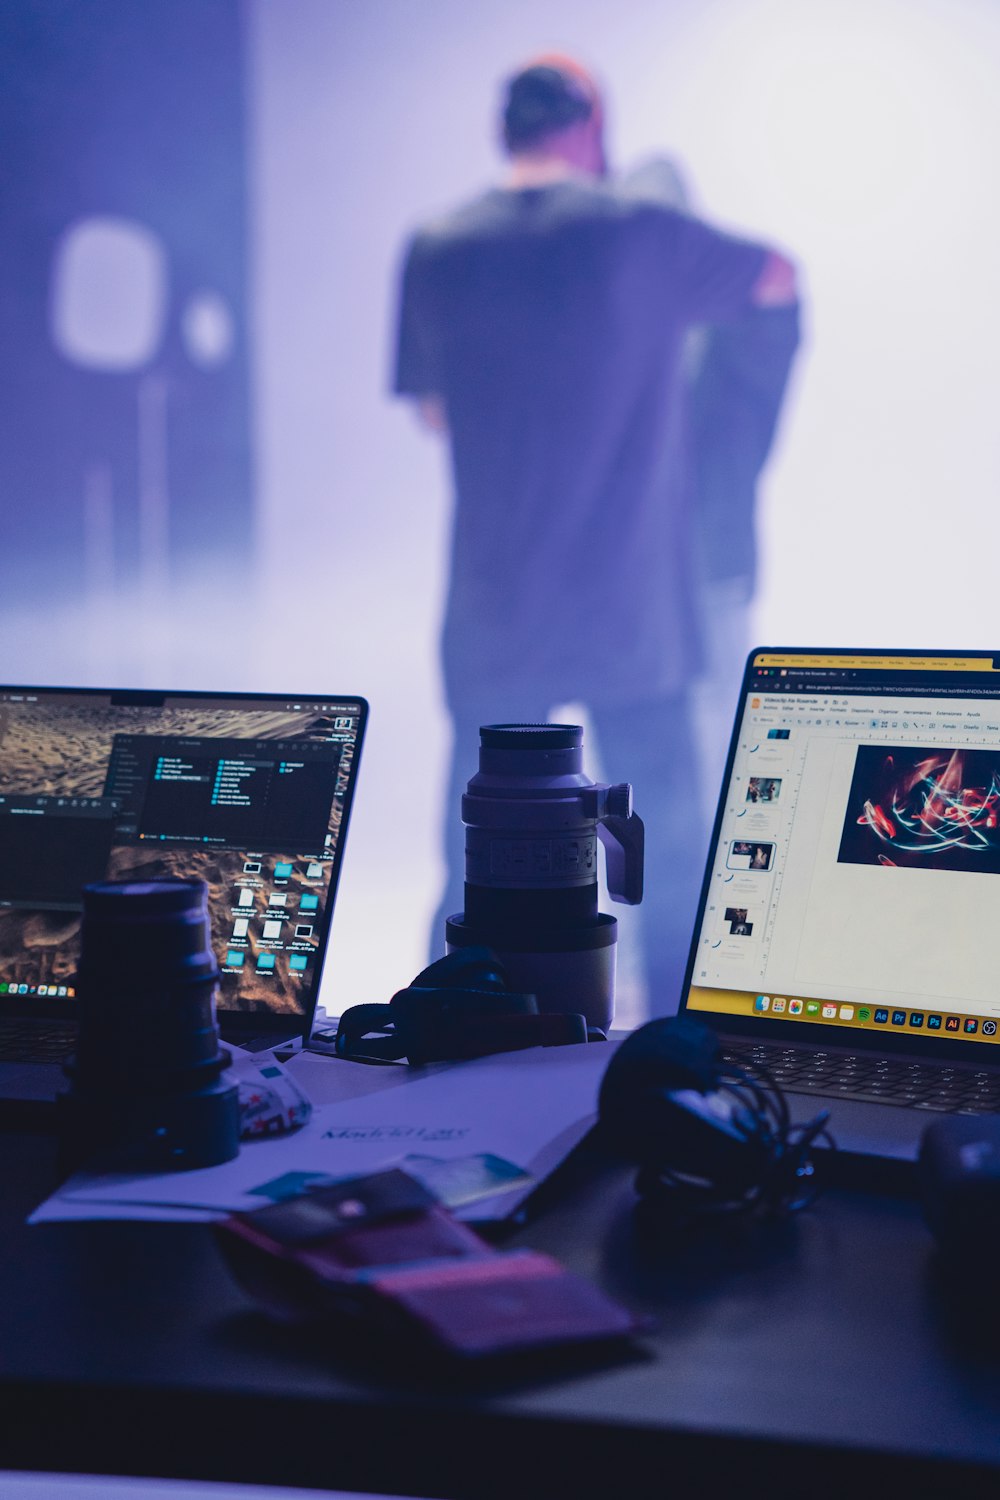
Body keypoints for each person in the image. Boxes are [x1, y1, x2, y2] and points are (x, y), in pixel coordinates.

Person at [393, 56, 798, 1015]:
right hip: (631, 600)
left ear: (505, 130)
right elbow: (776, 277)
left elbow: (436, 413)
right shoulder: (641, 232)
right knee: (662, 834)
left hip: (498, 600)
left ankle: (458, 1025)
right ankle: (680, 1033)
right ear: (593, 125)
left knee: (478, 836)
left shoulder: (438, 245)